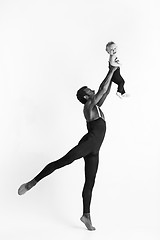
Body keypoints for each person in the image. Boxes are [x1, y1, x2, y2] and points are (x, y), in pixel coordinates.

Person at [18, 66, 118, 231]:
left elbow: (105, 91)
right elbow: (101, 89)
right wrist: (111, 71)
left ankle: (86, 215)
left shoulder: (97, 106)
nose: (93, 90)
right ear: (87, 97)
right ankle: (32, 182)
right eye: (90, 91)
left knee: (90, 182)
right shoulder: (88, 108)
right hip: (87, 144)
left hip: (94, 149)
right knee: (62, 162)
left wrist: (112, 71)